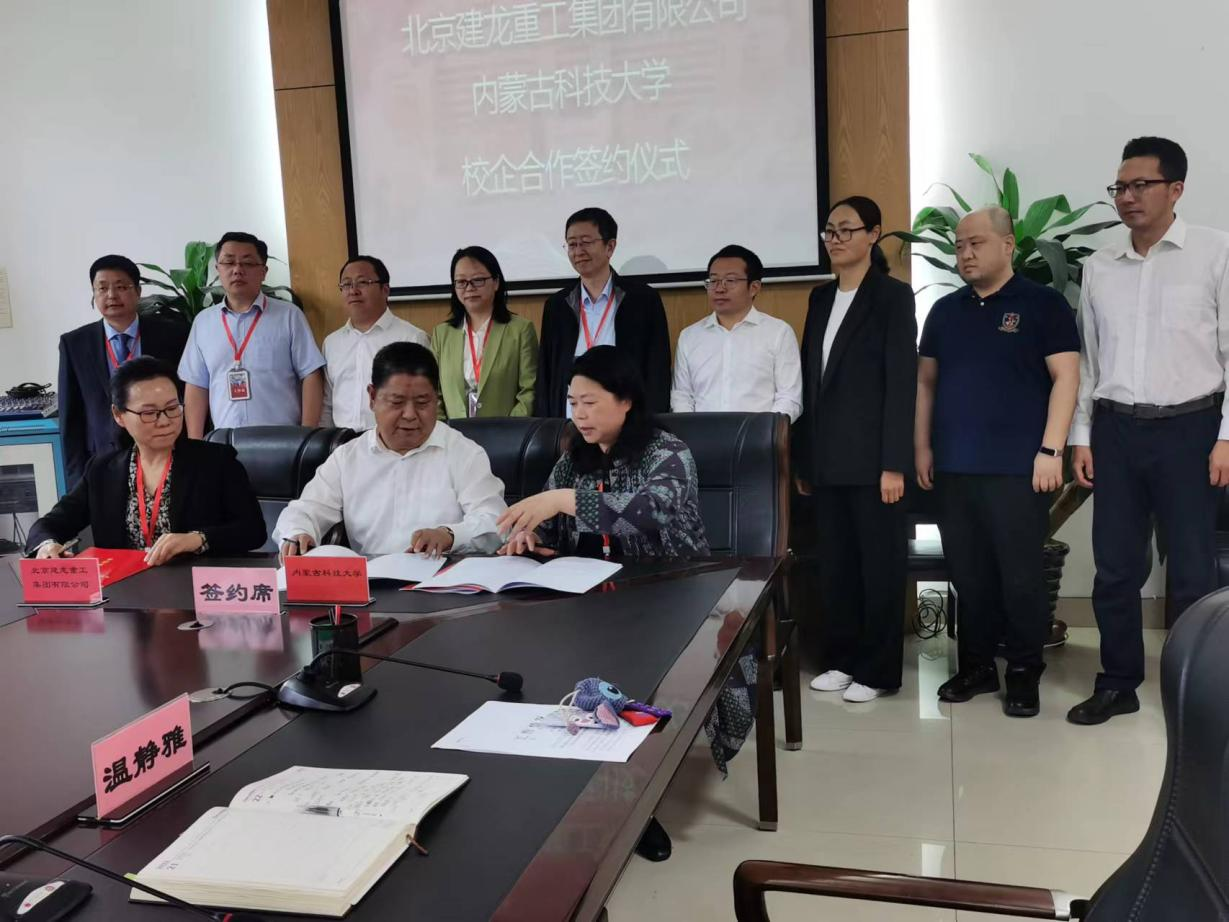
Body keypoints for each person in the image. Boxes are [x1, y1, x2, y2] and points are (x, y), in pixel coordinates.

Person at [499, 345, 713, 864]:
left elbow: (646, 514)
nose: (580, 415)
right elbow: (546, 518)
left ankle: (638, 805)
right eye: (573, 403)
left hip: (668, 592)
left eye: (591, 402)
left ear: (626, 401)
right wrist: (529, 535)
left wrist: (562, 500)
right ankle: (566, 783)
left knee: (631, 674)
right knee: (545, 657)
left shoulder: (669, 453)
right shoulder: (576, 457)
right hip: (591, 595)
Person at [1067, 137, 1229, 725]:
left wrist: (1226, 438)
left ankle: (1195, 688)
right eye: (1120, 187)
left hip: (1192, 429)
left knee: (1191, 568)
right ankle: (1118, 683)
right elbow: (1090, 360)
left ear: (1175, 189)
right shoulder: (1099, 266)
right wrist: (1081, 436)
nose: (1127, 197)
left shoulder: (1215, 253)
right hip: (1116, 431)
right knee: (1115, 566)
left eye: (1141, 185)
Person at [916, 207, 1080, 718]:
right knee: (969, 576)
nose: (965, 253)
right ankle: (977, 667)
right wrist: (922, 447)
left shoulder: (1043, 304)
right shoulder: (945, 311)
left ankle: (1025, 672)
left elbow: (1067, 378)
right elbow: (925, 385)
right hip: (955, 467)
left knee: (1021, 577)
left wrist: (1051, 450)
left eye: (977, 243)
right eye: (959, 245)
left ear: (1008, 245)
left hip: (1019, 468)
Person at [794, 196, 917, 703]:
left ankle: (878, 670)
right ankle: (842, 660)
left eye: (847, 229)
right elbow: (811, 383)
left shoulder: (892, 296)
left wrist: (894, 463)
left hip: (874, 463)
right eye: (830, 230)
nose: (836, 239)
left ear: (873, 234)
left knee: (879, 568)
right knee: (836, 566)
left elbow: (901, 383)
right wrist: (805, 458)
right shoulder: (820, 297)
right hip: (827, 461)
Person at [275, 342, 506, 558]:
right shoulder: (347, 458)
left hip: (444, 579)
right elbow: (305, 510)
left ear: (436, 399)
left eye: (422, 403)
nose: (410, 414)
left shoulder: (464, 453)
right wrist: (298, 533)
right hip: (372, 582)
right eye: (397, 402)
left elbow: (494, 521)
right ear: (372, 397)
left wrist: (449, 535)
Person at [27, 357, 266, 563]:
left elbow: (253, 530)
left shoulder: (216, 461)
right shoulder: (102, 470)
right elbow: (51, 523)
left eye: (172, 408)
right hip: (124, 590)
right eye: (149, 413)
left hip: (194, 587)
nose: (165, 421)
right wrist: (47, 545)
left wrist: (197, 539)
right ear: (119, 415)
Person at [58, 255, 188, 488]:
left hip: (166, 454)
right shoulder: (74, 343)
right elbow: (71, 416)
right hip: (102, 460)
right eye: (102, 288)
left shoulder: (173, 335)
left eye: (120, 287)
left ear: (138, 291)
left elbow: (185, 397)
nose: (111, 295)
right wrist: (76, 479)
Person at [178, 232, 325, 438]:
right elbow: (196, 384)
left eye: (247, 263)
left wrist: (306, 436)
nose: (237, 270)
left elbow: (310, 375)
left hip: (282, 440)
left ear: (263, 272)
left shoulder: (289, 316)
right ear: (218, 269)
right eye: (229, 262)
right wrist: (196, 444)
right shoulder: (203, 322)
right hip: (225, 444)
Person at [534, 208, 671, 417]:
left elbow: (657, 369)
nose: (578, 251)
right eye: (572, 244)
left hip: (626, 420)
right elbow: (546, 374)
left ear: (610, 246)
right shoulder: (557, 305)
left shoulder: (643, 300)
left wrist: (649, 422)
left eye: (586, 242)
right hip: (571, 420)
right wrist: (548, 424)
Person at [671, 244, 802, 420]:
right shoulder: (689, 336)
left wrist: (765, 431)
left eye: (730, 280)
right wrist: (691, 431)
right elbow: (682, 395)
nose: (719, 288)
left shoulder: (778, 332)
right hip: (701, 435)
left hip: (759, 435)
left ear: (754, 287)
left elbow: (789, 398)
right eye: (713, 281)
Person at [321, 255, 429, 430]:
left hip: (392, 440)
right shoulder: (332, 343)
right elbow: (327, 403)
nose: (353, 291)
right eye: (346, 284)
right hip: (341, 441)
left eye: (362, 282)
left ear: (385, 290)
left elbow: (423, 401)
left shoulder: (412, 338)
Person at [430, 246, 538, 419]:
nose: (469, 288)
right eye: (461, 282)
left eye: (478, 280)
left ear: (496, 282)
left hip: (505, 432)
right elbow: (432, 392)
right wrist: (444, 429)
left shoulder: (520, 330)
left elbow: (529, 390)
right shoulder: (441, 334)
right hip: (453, 433)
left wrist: (509, 429)